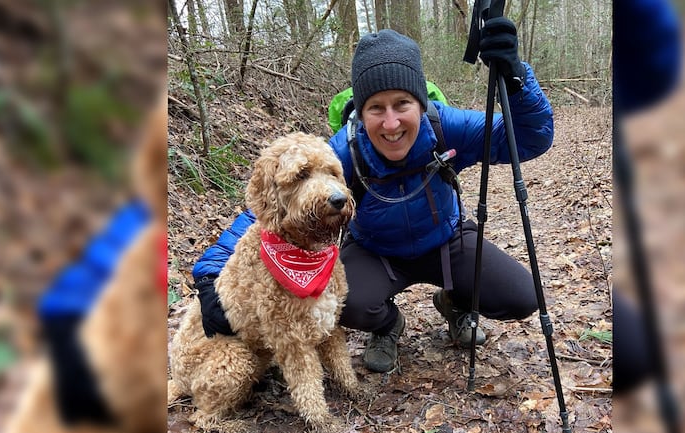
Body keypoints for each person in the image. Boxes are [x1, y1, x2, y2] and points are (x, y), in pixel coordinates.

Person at [193, 21, 554, 373]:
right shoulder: (344, 152)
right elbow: (266, 211)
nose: (391, 123)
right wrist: (210, 277)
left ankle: (454, 301)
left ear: (421, 103)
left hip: (446, 240)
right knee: (346, 302)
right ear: (361, 112)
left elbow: (529, 138)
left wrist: (516, 79)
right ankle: (388, 325)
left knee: (523, 296)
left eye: (402, 104)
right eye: (376, 108)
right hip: (377, 252)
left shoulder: (446, 127)